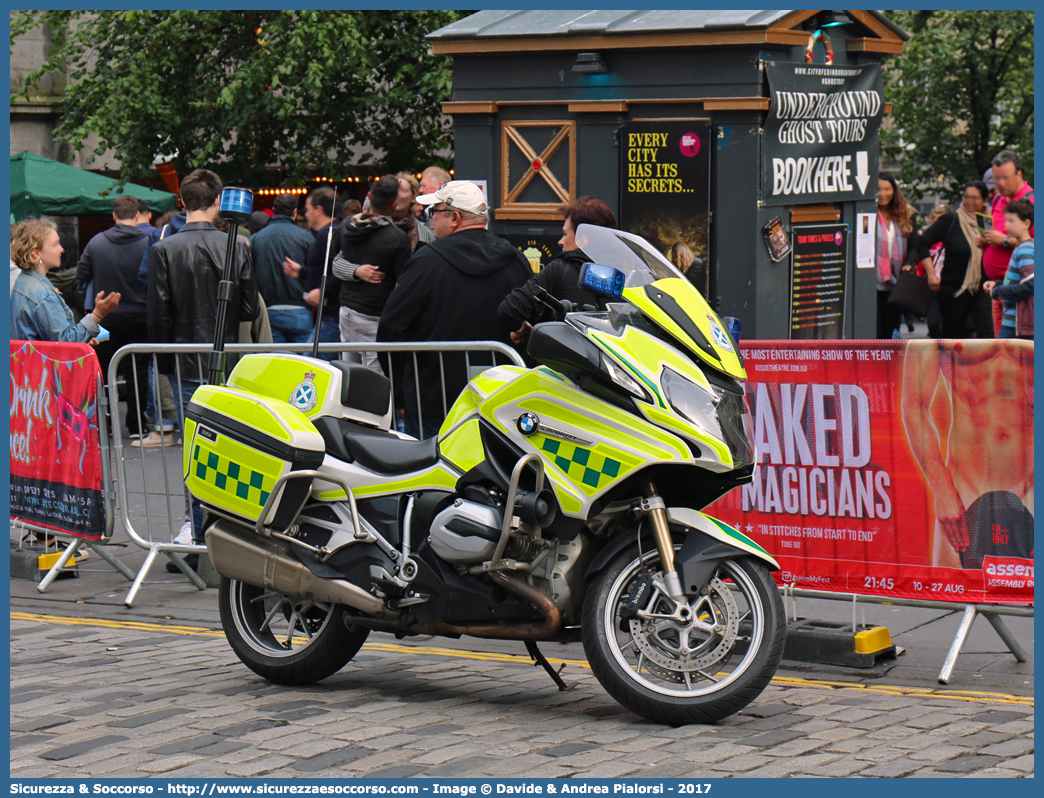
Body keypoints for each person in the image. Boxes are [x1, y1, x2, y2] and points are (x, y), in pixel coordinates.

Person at [147, 168, 259, 554]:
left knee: (194, 450)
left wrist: (162, 366)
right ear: (216, 203)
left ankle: (197, 532)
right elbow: (246, 309)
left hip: (183, 360)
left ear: (182, 201)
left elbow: (158, 316)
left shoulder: (164, 249)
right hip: (226, 361)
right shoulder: (237, 246)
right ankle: (225, 531)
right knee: (228, 449)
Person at [377, 180, 531, 439]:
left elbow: (391, 329)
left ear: (455, 217)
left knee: (431, 476)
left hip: (433, 399)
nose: (429, 220)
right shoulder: (516, 259)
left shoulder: (425, 262)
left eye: (433, 212)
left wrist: (402, 394)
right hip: (501, 396)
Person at [901, 339, 1033, 569]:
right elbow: (914, 403)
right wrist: (941, 487)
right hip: (964, 489)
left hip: (1034, 488)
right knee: (955, 593)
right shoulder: (944, 319)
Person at [75, 195, 151, 437]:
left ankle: (104, 426)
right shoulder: (149, 241)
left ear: (114, 216)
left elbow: (81, 273)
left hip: (106, 317)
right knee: (137, 372)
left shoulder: (96, 242)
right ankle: (136, 426)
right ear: (137, 215)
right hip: (141, 317)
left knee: (104, 371)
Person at [498, 196, 618, 345]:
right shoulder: (627, 278)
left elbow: (509, 310)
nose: (560, 241)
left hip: (561, 365)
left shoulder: (560, 269)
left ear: (583, 241)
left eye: (566, 234)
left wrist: (525, 330)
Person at [332, 175, 412, 373]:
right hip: (374, 314)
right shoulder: (396, 237)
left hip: (347, 309)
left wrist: (354, 270)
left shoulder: (346, 225)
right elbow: (404, 281)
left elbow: (335, 260)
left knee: (348, 373)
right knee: (375, 377)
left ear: (369, 196)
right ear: (393, 205)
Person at [10, 219, 120, 342]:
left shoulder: (23, 281)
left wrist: (82, 340)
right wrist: (97, 315)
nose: (62, 249)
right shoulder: (42, 294)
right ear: (35, 253)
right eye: (55, 244)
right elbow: (65, 342)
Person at [913, 181, 993, 339]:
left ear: (984, 200)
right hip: (954, 291)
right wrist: (931, 274)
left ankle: (981, 364)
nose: (969, 201)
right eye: (966, 197)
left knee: (987, 334)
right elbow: (922, 243)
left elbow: (992, 252)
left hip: (982, 289)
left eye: (975, 198)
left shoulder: (987, 222)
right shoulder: (952, 219)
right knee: (954, 338)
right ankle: (949, 364)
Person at [976, 151, 1034, 335]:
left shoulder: (1032, 200)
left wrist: (1005, 241)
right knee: (1001, 349)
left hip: (1022, 291)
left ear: (1019, 174)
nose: (1000, 183)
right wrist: (986, 241)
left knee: (1014, 350)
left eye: (1005, 178)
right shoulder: (998, 199)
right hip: (1000, 286)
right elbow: (998, 232)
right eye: (996, 178)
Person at [284, 187, 342, 362]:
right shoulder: (329, 233)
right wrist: (301, 272)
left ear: (319, 210)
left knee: (311, 364)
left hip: (331, 316)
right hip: (327, 315)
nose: (306, 214)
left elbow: (339, 270)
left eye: (308, 209)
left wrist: (322, 290)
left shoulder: (329, 235)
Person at [248, 193, 314, 344]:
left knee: (276, 362)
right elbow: (314, 272)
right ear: (295, 212)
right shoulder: (306, 237)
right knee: (303, 363)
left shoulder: (256, 239)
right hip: (300, 308)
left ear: (273, 210)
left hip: (268, 309)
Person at [875, 172, 919, 339]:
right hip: (872, 283)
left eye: (887, 189)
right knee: (875, 331)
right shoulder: (866, 213)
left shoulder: (906, 214)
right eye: (878, 189)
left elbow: (915, 245)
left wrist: (909, 263)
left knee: (888, 331)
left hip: (896, 283)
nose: (883, 194)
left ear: (894, 190)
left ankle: (886, 365)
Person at [984, 198, 1033, 340]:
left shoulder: (1025, 249)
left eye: (1011, 221)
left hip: (1018, 325)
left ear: (1026, 224)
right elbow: (1018, 282)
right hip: (1014, 323)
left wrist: (999, 291)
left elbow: (1030, 285)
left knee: (999, 359)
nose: (1006, 225)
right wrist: (997, 284)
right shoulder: (1021, 247)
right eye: (1006, 220)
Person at [393, 172, 434, 251]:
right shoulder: (378, 224)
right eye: (394, 190)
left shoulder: (424, 232)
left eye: (402, 190)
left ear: (413, 198)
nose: (396, 194)